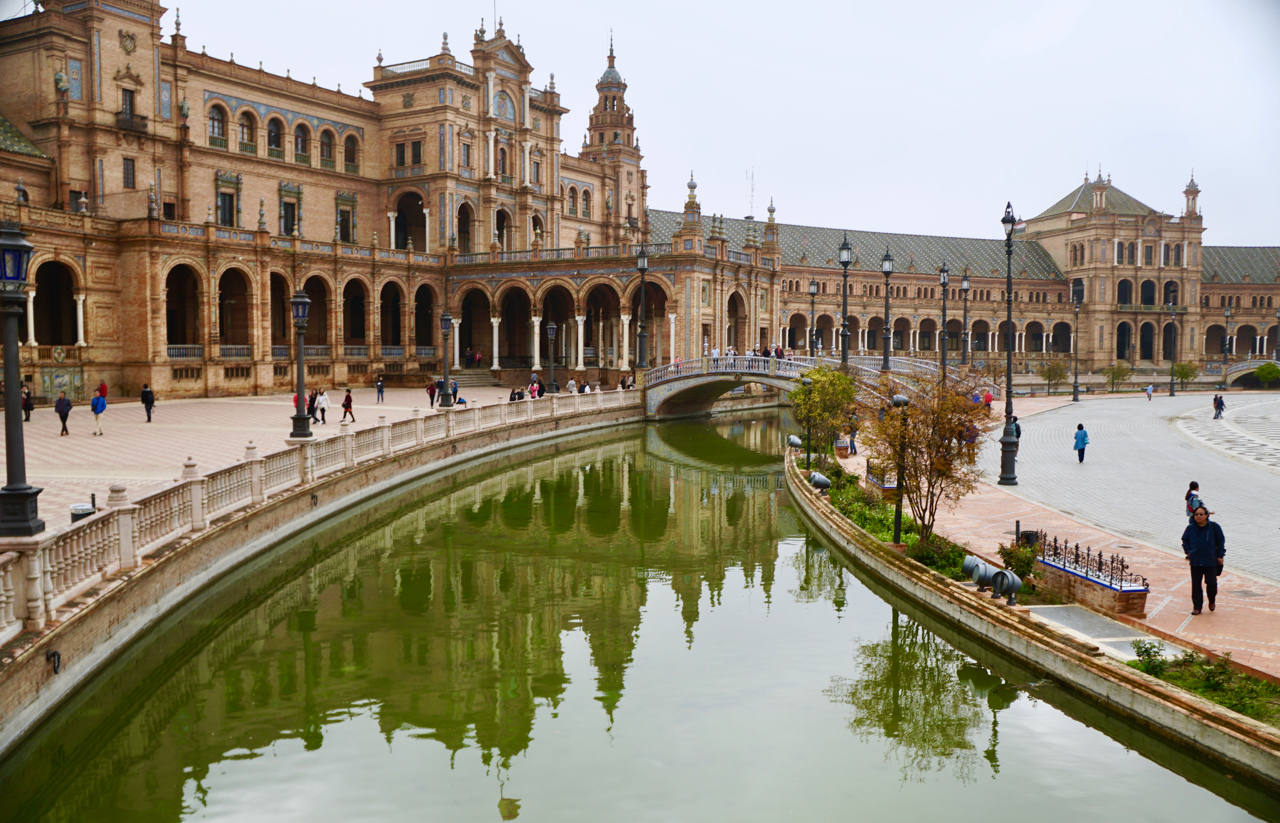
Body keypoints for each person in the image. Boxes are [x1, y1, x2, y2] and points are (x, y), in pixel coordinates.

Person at [1181, 505, 1225, 615]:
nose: (1198, 516)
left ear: (1206, 515)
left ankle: (1212, 600)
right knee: (1196, 584)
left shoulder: (1214, 527)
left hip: (1210, 560)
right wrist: (1188, 552)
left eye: (1201, 514)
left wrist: (1220, 555)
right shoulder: (1190, 528)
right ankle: (1197, 607)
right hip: (1196, 561)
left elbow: (1221, 541)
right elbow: (1185, 540)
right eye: (1196, 514)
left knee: (1211, 583)